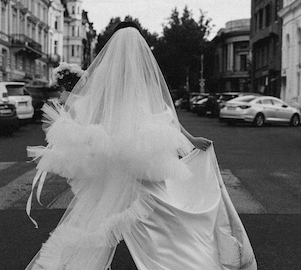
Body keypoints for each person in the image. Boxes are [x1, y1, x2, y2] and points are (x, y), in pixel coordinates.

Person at [25, 21, 257, 270]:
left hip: (119, 153)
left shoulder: (107, 75)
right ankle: (174, 258)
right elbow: (165, 115)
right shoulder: (141, 75)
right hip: (142, 155)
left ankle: (80, 262)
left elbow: (99, 113)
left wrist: (87, 131)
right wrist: (190, 139)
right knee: (158, 210)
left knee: (105, 211)